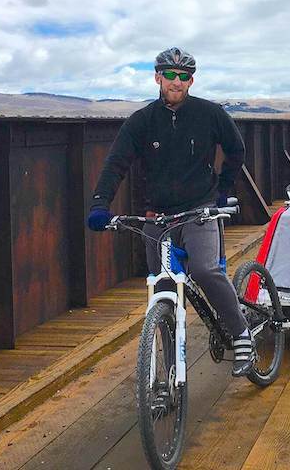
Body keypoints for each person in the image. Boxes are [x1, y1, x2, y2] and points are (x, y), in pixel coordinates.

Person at [86, 47, 254, 376]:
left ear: (191, 81)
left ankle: (241, 332)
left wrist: (223, 189)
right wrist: (99, 204)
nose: (176, 82)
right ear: (157, 77)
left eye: (184, 76)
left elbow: (236, 149)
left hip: (199, 210)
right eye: (170, 75)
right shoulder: (142, 121)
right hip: (158, 215)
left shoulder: (210, 114)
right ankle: (166, 367)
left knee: (205, 270)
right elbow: (115, 164)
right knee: (162, 284)